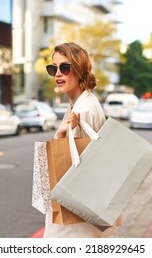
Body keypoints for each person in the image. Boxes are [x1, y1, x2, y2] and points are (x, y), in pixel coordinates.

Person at [43, 42, 121, 238]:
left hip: (75, 220)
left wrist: (59, 134)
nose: (58, 74)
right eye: (53, 68)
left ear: (79, 70)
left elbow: (73, 167)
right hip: (80, 216)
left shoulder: (84, 109)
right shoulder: (80, 103)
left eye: (65, 67)